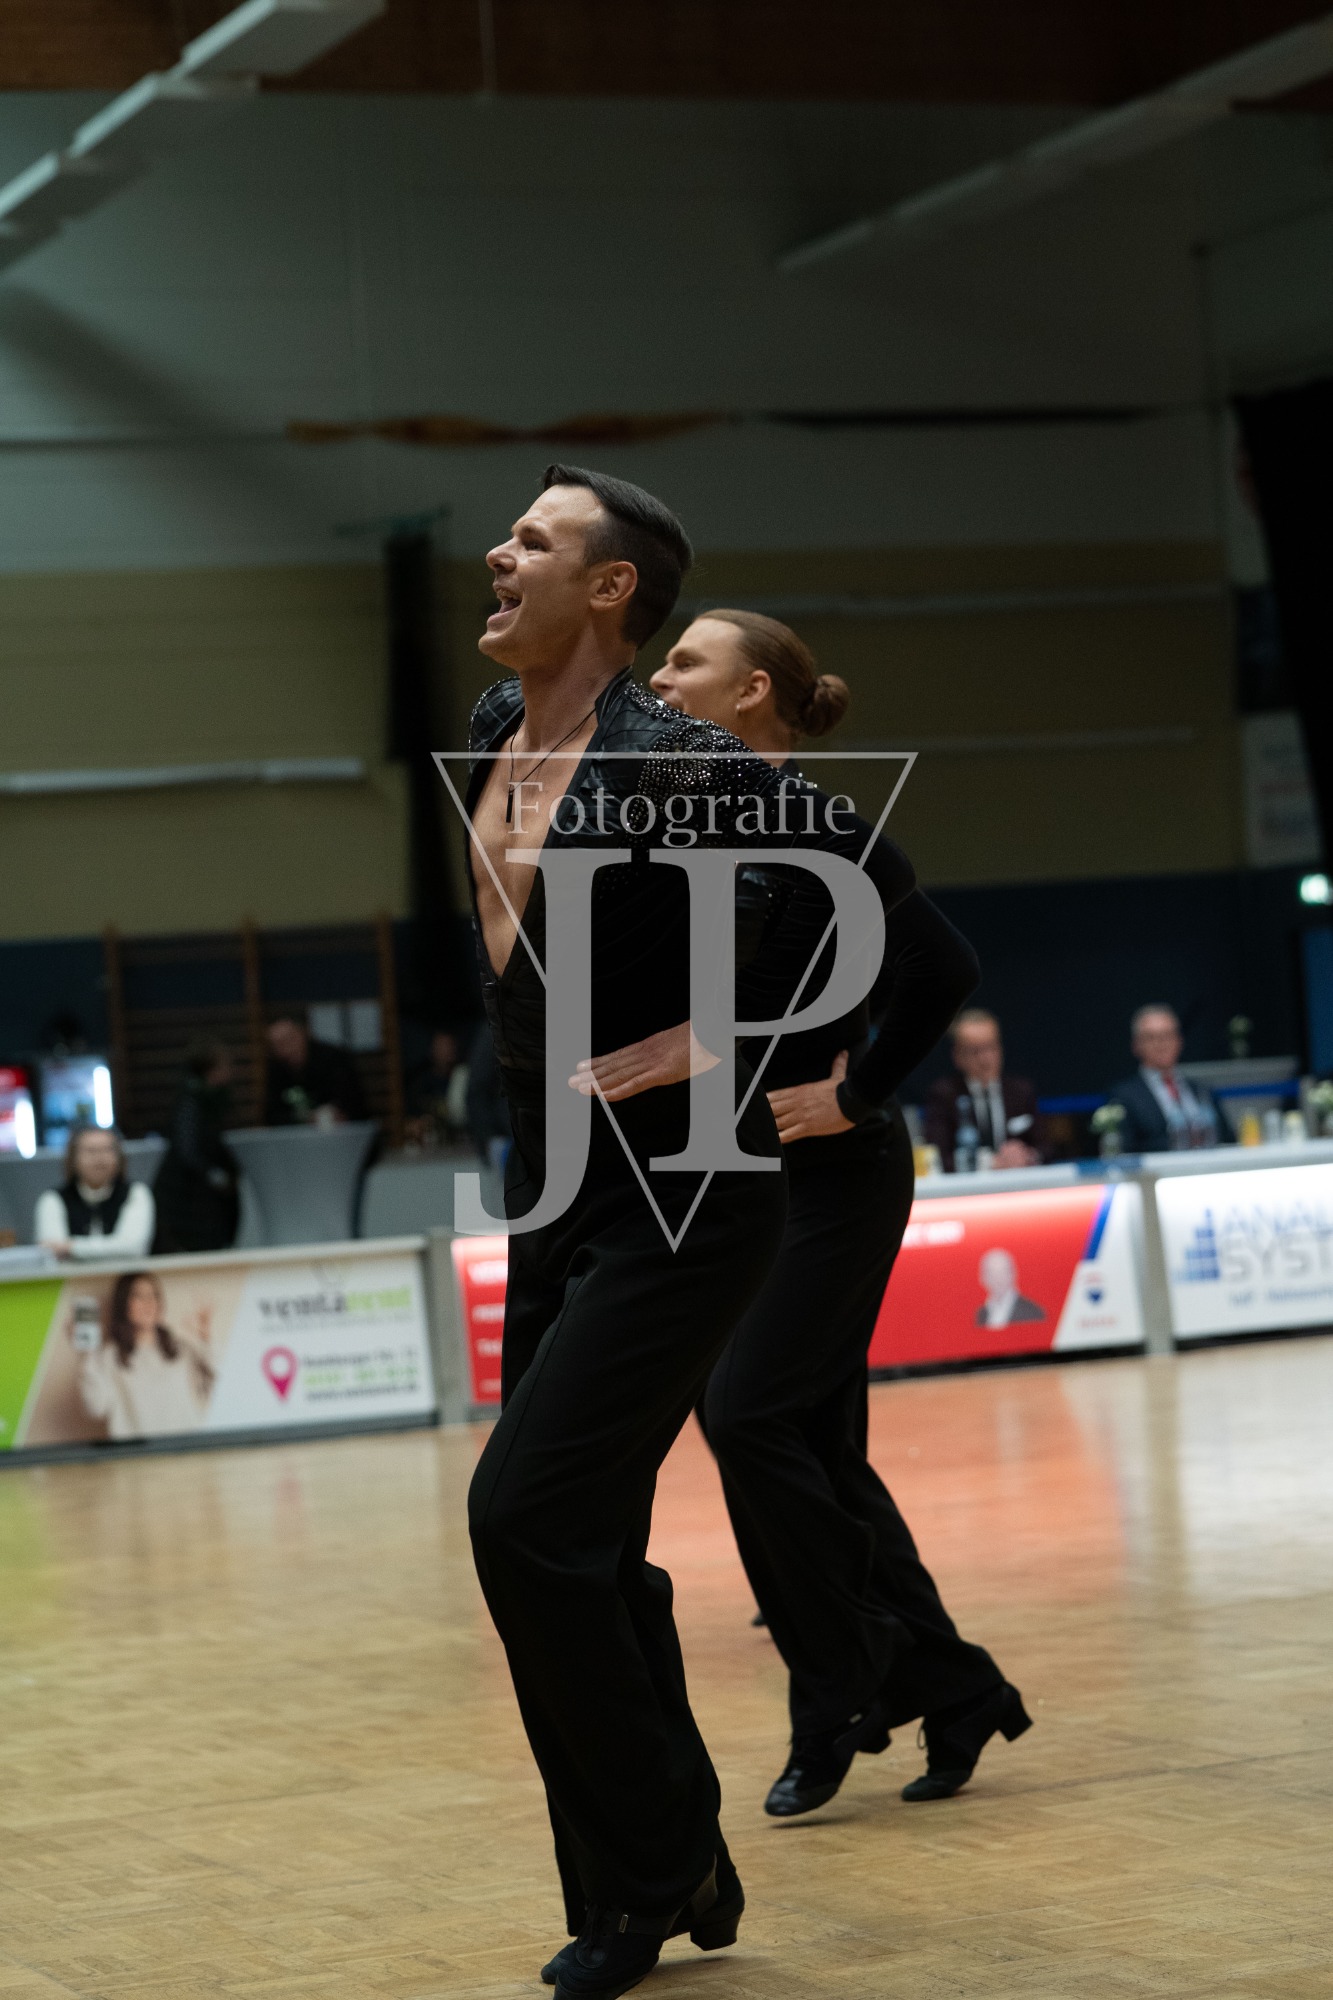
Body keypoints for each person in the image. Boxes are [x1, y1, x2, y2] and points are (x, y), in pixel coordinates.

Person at [461, 465, 891, 2000]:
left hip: (686, 1202)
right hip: (555, 1193)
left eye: (534, 540)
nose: (497, 553)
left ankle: (658, 1869)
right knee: (579, 1548)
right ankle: (655, 1872)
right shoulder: (494, 728)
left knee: (521, 1520)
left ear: (610, 588)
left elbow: (849, 902)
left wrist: (728, 1036)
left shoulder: (674, 752)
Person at [649, 609, 1029, 1822]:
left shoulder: (817, 824)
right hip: (739, 1174)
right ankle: (943, 1687)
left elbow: (943, 965)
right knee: (814, 1454)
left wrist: (856, 1091)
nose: (661, 676)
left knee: (744, 1410)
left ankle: (851, 1675)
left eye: (685, 661)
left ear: (751, 691)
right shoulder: (693, 828)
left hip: (836, 1173)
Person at [72, 1269, 213, 1439]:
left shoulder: (179, 1348)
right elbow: (96, 1408)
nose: (148, 1303)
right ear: (123, 1304)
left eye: (153, 1296)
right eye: (138, 1296)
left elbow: (216, 1384)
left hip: (186, 1447)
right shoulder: (110, 1356)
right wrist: (86, 1355)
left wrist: (205, 1338)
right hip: (137, 1452)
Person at [923, 1008, 1045, 1170]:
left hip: (1020, 1180)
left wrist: (1027, 1155)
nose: (985, 1058)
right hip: (968, 1184)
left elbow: (1048, 1147)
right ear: (957, 1056)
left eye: (991, 1047)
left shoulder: (1021, 1091)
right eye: (975, 1051)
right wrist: (989, 1163)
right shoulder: (944, 1094)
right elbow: (936, 1157)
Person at [152, 1041, 240, 1254]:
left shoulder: (212, 1098)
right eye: (225, 1065)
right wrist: (214, 1174)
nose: (231, 1071)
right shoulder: (190, 1102)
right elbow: (187, 1150)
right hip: (187, 1197)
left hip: (201, 1196)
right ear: (211, 1069)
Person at [1109, 1004, 1227, 1153]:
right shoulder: (1124, 1096)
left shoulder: (1201, 1090)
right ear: (1136, 1045)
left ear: (1179, 1041)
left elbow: (1227, 1138)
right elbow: (1124, 1151)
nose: (1161, 1044)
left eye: (1168, 1035)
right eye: (1151, 1037)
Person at [34, 1127, 155, 1261]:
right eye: (91, 1151)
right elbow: (51, 1250)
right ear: (73, 1159)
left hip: (123, 1274)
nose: (99, 1158)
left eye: (107, 1150)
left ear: (119, 1157)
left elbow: (132, 1247)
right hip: (72, 1275)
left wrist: (71, 1247)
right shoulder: (53, 1198)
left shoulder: (136, 1193)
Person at [262, 1014, 367, 1126]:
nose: (287, 1048)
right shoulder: (276, 1069)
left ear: (303, 1034)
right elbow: (272, 1114)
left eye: (290, 1039)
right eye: (278, 1044)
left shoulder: (334, 1059)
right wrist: (304, 1118)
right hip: (299, 1133)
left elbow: (354, 1103)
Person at [404, 1027, 468, 1147]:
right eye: (442, 1046)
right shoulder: (421, 1083)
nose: (448, 1051)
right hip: (429, 1146)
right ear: (432, 1050)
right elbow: (409, 1118)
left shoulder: (463, 1078)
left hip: (461, 1143)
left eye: (450, 1046)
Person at [975, 1246, 1045, 1327]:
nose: (998, 1279)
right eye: (992, 1274)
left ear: (1013, 1274)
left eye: (1003, 1272)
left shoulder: (1032, 1312)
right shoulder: (981, 1314)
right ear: (982, 1278)